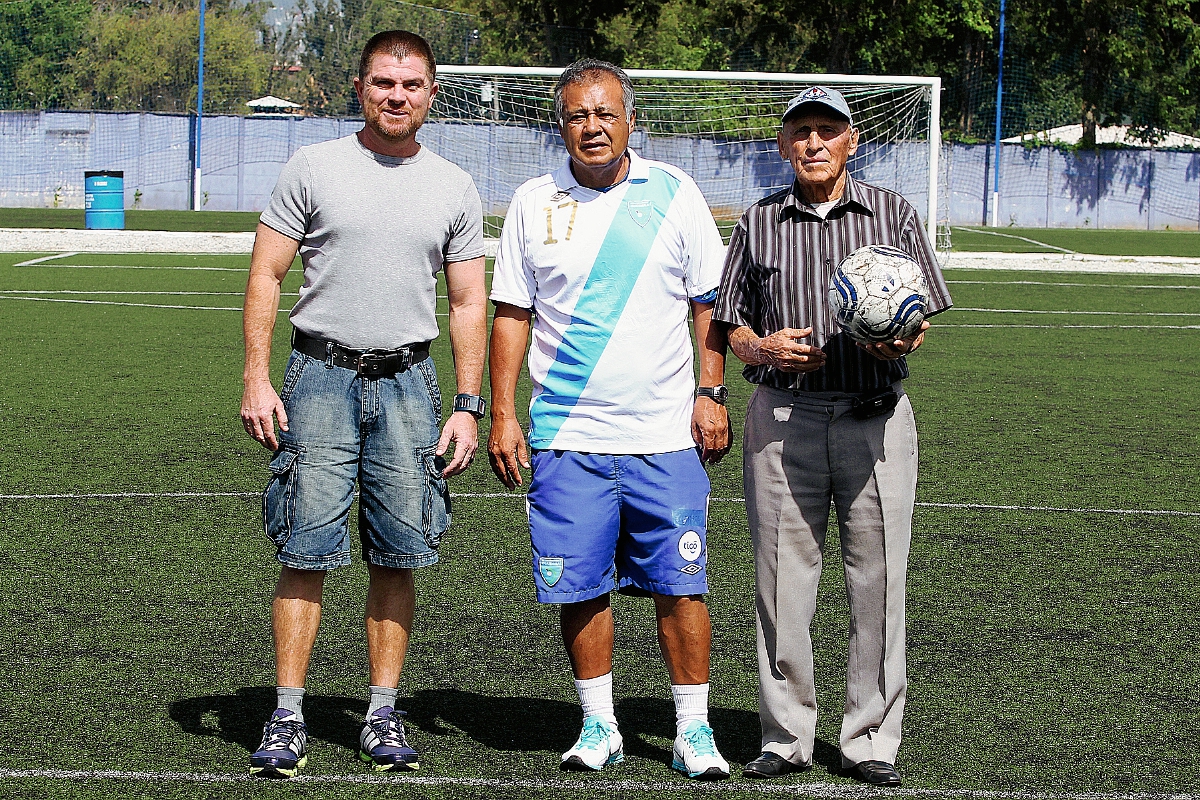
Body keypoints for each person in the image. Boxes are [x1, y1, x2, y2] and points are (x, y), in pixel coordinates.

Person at [238, 30, 488, 779]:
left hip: (411, 384)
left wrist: (468, 403)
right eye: (384, 82)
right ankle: (287, 715)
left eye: (412, 85)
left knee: (399, 553)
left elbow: (469, 301)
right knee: (304, 550)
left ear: (432, 94)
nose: (397, 96)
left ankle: (381, 712)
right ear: (360, 87)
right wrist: (256, 378)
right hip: (318, 379)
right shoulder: (311, 167)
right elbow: (265, 277)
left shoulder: (454, 185)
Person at [487, 58, 733, 781]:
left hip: (664, 436)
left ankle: (693, 731)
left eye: (604, 113)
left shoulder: (674, 192)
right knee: (581, 587)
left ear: (631, 120)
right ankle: (600, 724)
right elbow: (511, 315)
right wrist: (503, 413)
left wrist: (710, 394)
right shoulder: (534, 202)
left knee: (681, 586)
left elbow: (708, 300)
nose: (591, 127)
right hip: (568, 436)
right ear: (558, 125)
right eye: (575, 116)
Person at [713, 86, 953, 787]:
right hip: (781, 419)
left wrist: (899, 338)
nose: (814, 143)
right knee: (782, 585)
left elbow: (924, 314)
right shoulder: (758, 222)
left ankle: (870, 740)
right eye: (802, 132)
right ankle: (784, 736)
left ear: (852, 141)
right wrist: (759, 349)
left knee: (878, 583)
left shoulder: (894, 213)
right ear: (785, 145)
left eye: (828, 130)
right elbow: (730, 323)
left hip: (875, 415)